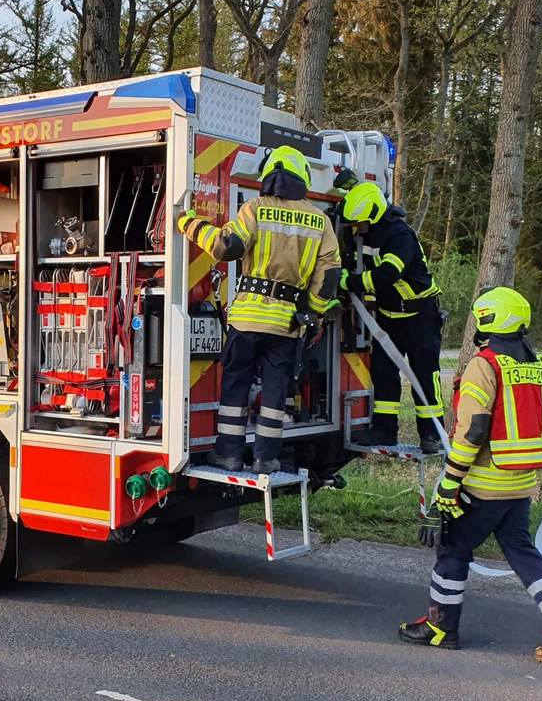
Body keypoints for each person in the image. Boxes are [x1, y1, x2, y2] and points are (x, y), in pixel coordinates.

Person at [398, 287, 542, 664]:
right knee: (526, 556)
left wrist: (450, 483)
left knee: (452, 550)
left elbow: (473, 430)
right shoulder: (534, 365)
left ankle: (440, 627)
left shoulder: (483, 364)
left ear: (488, 318)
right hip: (519, 484)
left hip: (483, 484)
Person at [177, 145, 341, 474]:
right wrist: (315, 315)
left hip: (247, 318)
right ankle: (266, 458)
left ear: (269, 177)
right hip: (286, 324)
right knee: (276, 389)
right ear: (302, 178)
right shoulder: (319, 220)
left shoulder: (256, 208)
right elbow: (329, 277)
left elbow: (227, 247)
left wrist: (188, 224)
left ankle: (228, 454)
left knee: (236, 383)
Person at [337, 177, 443, 454]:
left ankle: (431, 435)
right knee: (383, 374)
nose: (356, 229)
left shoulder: (399, 234)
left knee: (424, 376)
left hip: (419, 316)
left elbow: (387, 274)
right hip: (388, 316)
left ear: (372, 216)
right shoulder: (371, 232)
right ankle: (384, 431)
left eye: (358, 222)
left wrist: (349, 282)